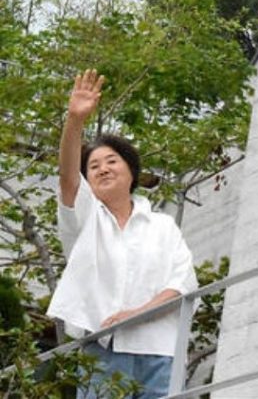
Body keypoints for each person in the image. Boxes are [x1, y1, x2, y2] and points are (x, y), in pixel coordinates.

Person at [47, 69, 198, 399]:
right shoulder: (86, 220)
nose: (102, 168)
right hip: (104, 348)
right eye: (94, 166)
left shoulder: (162, 226)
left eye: (111, 161)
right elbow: (68, 180)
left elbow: (182, 283)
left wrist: (137, 313)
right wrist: (74, 121)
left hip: (161, 349)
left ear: (131, 171)